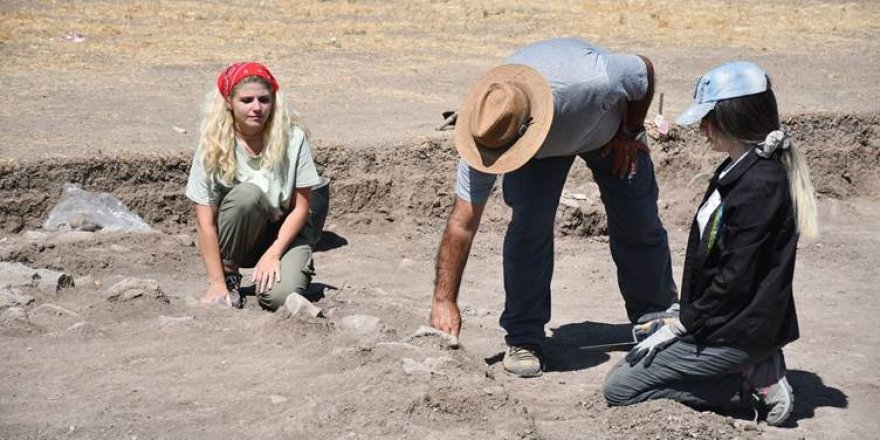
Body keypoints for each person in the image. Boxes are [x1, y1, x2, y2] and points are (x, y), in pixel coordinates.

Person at [429, 38, 678, 378]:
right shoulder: (488, 127)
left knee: (638, 216)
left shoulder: (591, 83)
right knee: (529, 228)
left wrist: (631, 131)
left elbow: (642, 70)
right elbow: (462, 223)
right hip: (539, 149)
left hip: (606, 129)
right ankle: (524, 337)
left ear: (529, 127)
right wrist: (444, 301)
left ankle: (656, 316)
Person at [603, 61, 819, 427]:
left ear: (736, 117)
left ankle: (751, 388)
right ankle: (747, 369)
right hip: (720, 320)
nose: (703, 128)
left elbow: (737, 276)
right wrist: (683, 315)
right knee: (637, 366)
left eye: (709, 118)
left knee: (621, 388)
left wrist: (684, 323)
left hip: (738, 331)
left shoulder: (760, 184)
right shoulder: (738, 169)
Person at [186, 62, 323, 311]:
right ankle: (229, 275)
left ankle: (284, 267)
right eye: (246, 100)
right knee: (247, 196)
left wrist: (274, 253)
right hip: (241, 236)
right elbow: (205, 223)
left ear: (274, 101)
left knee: (278, 299)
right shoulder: (212, 145)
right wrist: (216, 282)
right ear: (229, 101)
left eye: (264, 99)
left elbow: (302, 209)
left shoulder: (294, 139)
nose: (256, 108)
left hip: (286, 233)